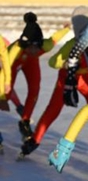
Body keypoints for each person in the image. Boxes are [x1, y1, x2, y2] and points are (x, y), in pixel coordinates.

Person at [19, 7, 88, 163]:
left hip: (87, 80)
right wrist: (65, 64)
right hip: (67, 79)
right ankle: (35, 140)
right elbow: (53, 61)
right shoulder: (72, 44)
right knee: (53, 109)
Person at [5, 12, 70, 142]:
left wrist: (66, 29)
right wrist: (6, 83)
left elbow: (55, 38)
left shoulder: (45, 45)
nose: (34, 50)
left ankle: (25, 121)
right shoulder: (16, 49)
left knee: (35, 89)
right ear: (25, 45)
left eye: (36, 47)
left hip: (31, 63)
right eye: (31, 47)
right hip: (13, 64)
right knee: (5, 93)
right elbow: (6, 67)